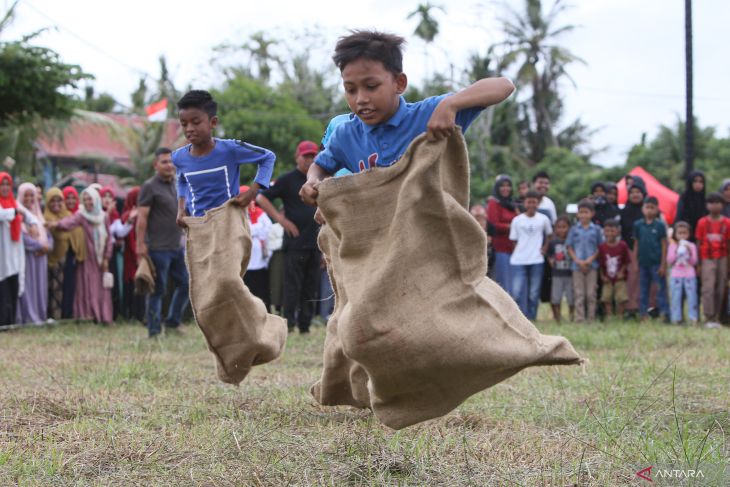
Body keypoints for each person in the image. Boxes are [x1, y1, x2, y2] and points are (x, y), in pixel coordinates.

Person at [300, 30, 514, 201]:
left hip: (433, 241)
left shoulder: (428, 114)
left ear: (399, 83)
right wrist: (312, 181)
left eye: (371, 86)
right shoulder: (345, 134)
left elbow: (504, 85)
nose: (360, 99)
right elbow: (320, 166)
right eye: (351, 89)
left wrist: (452, 104)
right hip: (380, 242)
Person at [172, 90, 275, 224]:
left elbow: (268, 157)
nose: (189, 129)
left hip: (230, 225)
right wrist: (181, 208)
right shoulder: (178, 157)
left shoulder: (230, 149)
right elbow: (181, 180)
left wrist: (252, 192)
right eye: (184, 124)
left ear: (213, 122)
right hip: (198, 226)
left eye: (196, 122)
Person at [257, 141, 321, 333]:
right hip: (295, 243)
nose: (310, 160)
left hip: (316, 242)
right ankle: (289, 324)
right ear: (297, 157)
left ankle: (305, 325)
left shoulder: (320, 179)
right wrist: (281, 220)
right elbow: (261, 197)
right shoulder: (287, 179)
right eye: (306, 156)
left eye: (313, 156)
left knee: (311, 287)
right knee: (292, 286)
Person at [137, 148, 190, 338]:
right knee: (157, 290)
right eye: (164, 162)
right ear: (155, 165)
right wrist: (140, 244)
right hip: (158, 249)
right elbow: (142, 218)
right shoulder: (149, 186)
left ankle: (173, 323)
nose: (169, 165)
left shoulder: (178, 184)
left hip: (177, 247)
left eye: (171, 161)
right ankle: (153, 330)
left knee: (186, 284)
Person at [47, 188, 113, 324]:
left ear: (96, 200)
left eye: (90, 199)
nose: (88, 202)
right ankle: (88, 315)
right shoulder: (81, 215)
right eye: (85, 199)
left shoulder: (104, 217)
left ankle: (103, 316)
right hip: (87, 258)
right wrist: (54, 224)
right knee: (87, 287)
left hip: (100, 260)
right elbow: (68, 223)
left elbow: (109, 238)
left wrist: (106, 257)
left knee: (101, 288)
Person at [1, 173, 39, 326]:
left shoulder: (14, 203)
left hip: (14, 254)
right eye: (2, 184)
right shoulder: (11, 207)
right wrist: (17, 212)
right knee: (2, 291)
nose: (4, 188)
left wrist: (33, 224)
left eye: (7, 184)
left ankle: (10, 323)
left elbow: (31, 216)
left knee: (13, 289)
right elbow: (3, 214)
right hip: (2, 256)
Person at [508, 190, 552, 320]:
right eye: (529, 202)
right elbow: (513, 240)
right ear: (524, 203)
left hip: (537, 260)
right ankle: (518, 318)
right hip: (518, 261)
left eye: (534, 202)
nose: (531, 204)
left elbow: (549, 235)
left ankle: (532, 318)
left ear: (538, 204)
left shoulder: (543, 219)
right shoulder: (517, 220)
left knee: (534, 293)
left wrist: (545, 248)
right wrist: (520, 250)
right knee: (517, 292)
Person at [44, 188, 86, 320]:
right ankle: (54, 317)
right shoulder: (46, 217)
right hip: (53, 259)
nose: (56, 203)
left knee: (68, 287)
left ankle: (66, 315)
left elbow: (76, 232)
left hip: (68, 257)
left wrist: (59, 226)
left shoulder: (68, 215)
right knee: (54, 289)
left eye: (59, 200)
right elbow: (61, 234)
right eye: (52, 200)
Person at [15, 183, 52, 324]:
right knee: (28, 287)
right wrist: (39, 246)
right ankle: (29, 317)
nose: (29, 198)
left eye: (32, 195)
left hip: (41, 258)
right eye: (26, 195)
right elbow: (21, 237)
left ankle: (39, 315)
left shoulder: (39, 215)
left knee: (40, 288)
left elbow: (48, 235)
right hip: (27, 257)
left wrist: (47, 247)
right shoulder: (19, 213)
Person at [694, 192, 730, 328]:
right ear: (707, 205)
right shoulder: (702, 222)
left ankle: (717, 317)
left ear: (723, 205)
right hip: (706, 257)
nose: (715, 205)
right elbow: (698, 242)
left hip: (723, 257)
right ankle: (709, 317)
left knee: (721, 287)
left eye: (718, 202)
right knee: (708, 288)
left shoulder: (727, 222)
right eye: (711, 202)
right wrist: (698, 263)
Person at [566, 199, 603, 322]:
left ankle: (591, 317)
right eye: (581, 212)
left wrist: (590, 260)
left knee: (591, 293)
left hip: (592, 266)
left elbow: (600, 247)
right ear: (577, 214)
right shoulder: (574, 229)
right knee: (579, 293)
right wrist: (577, 260)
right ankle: (580, 318)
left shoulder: (596, 229)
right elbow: (569, 246)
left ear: (592, 213)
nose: (583, 215)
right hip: (577, 267)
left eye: (586, 212)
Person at [633, 196, 669, 321]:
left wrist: (663, 264)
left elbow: (664, 245)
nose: (649, 210)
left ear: (657, 209)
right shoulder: (638, 225)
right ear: (643, 209)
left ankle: (664, 314)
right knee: (643, 290)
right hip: (643, 263)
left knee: (660, 289)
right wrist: (635, 262)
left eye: (652, 208)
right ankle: (643, 314)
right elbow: (636, 244)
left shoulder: (660, 225)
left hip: (656, 264)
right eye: (647, 207)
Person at [113, 187, 145, 322]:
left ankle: (138, 314)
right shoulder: (129, 215)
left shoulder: (143, 213)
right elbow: (130, 237)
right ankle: (132, 314)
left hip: (138, 256)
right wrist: (138, 254)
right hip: (132, 257)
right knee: (133, 285)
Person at [241, 185, 273, 310]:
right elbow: (242, 232)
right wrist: (258, 229)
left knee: (261, 288)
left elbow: (269, 228)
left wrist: (252, 231)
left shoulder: (259, 213)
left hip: (260, 260)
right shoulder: (237, 214)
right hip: (245, 261)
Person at [620, 180, 647, 318]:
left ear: (644, 194)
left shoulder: (648, 210)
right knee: (632, 279)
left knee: (648, 280)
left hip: (647, 250)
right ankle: (631, 309)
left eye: (638, 192)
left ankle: (649, 308)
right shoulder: (624, 212)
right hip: (629, 250)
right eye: (632, 192)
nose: (635, 195)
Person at [487, 175, 518, 294]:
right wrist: (511, 226)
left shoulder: (512, 204)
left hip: (515, 248)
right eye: (502, 186)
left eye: (508, 185)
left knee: (515, 283)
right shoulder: (494, 203)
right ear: (497, 188)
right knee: (504, 283)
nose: (506, 188)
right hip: (501, 248)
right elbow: (494, 224)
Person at [666, 221, 699, 325]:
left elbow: (694, 261)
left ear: (689, 234)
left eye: (684, 233)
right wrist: (676, 251)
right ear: (675, 234)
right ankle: (676, 318)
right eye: (679, 233)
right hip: (676, 275)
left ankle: (693, 318)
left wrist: (689, 250)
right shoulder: (672, 246)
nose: (682, 235)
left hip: (689, 274)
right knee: (676, 297)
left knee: (691, 297)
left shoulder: (692, 246)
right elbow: (670, 260)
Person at [598, 220, 631, 319]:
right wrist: (602, 275)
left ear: (618, 232)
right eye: (607, 231)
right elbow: (600, 263)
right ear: (603, 232)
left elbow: (627, 261)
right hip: (607, 278)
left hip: (620, 278)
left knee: (621, 297)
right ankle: (609, 316)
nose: (610, 233)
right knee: (606, 297)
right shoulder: (602, 247)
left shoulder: (622, 245)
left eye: (612, 231)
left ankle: (620, 315)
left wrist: (622, 272)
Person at [547, 215, 574, 322]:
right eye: (559, 227)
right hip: (557, 274)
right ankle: (557, 319)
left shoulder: (572, 241)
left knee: (571, 298)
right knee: (556, 297)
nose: (562, 230)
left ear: (569, 228)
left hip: (570, 274)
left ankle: (572, 317)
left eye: (564, 227)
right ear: (555, 229)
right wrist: (550, 260)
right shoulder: (553, 242)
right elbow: (549, 254)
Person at [676, 170, 708, 239]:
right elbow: (679, 217)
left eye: (701, 182)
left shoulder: (705, 200)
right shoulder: (684, 198)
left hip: (702, 236)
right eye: (695, 181)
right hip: (685, 236)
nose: (698, 184)